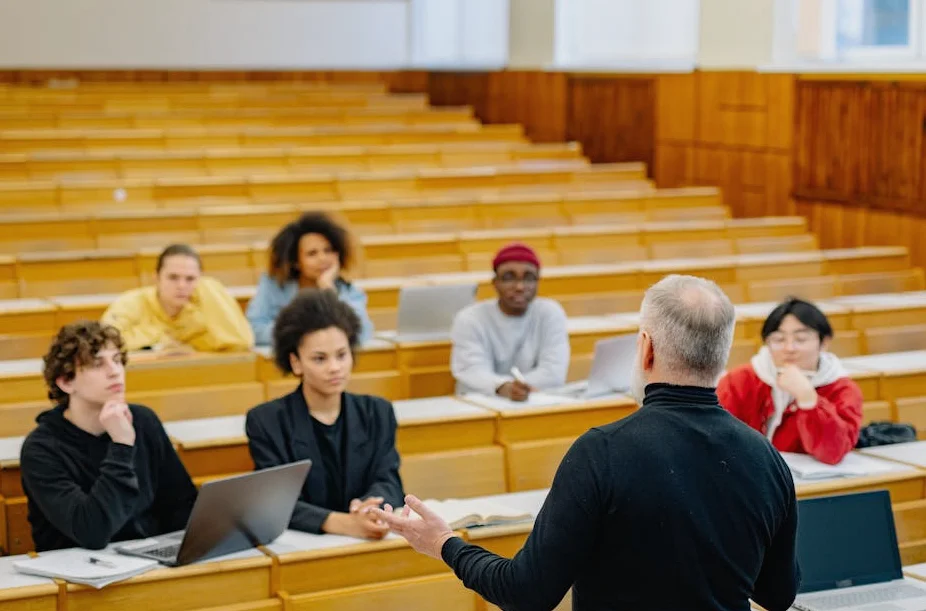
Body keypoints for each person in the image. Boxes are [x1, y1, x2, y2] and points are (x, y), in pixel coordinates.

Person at [374, 275, 800, 611]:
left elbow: (527, 593)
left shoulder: (603, 452)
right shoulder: (765, 458)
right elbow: (778, 596)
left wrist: (444, 544)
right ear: (721, 353)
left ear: (646, 349)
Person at [20, 321, 197, 552]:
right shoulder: (41, 449)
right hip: (78, 575)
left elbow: (182, 505)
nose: (115, 371)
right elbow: (92, 532)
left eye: (117, 360)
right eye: (97, 364)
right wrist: (122, 445)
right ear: (66, 381)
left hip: (148, 562)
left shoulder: (143, 421)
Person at [245, 289, 403, 538]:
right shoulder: (266, 421)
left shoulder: (377, 412)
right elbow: (275, 502)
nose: (335, 368)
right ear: (296, 362)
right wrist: (344, 523)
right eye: (319, 359)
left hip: (366, 541)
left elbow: (389, 480)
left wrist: (370, 506)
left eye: (342, 355)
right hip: (302, 546)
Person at [717, 297, 864, 465]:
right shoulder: (739, 380)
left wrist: (808, 399)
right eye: (779, 340)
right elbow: (718, 437)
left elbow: (833, 453)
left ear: (824, 342)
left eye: (800, 339)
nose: (789, 349)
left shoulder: (842, 389)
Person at [449, 243, 569, 401]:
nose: (519, 286)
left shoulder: (550, 312)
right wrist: (502, 387)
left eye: (529, 278)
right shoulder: (470, 318)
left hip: (536, 401)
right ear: (495, 282)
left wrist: (518, 389)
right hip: (481, 403)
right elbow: (471, 369)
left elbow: (553, 371)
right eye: (508, 278)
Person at [246, 212, 373, 346]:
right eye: (312, 253)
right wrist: (306, 333)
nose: (322, 259)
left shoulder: (346, 290)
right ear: (295, 262)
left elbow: (362, 333)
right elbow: (254, 330)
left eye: (328, 250)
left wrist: (328, 289)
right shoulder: (273, 285)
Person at [101, 244, 253, 353]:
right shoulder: (131, 303)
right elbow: (104, 343)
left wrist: (210, 286)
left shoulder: (200, 311)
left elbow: (240, 342)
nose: (181, 285)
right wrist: (162, 338)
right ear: (156, 278)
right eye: (173, 277)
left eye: (190, 279)